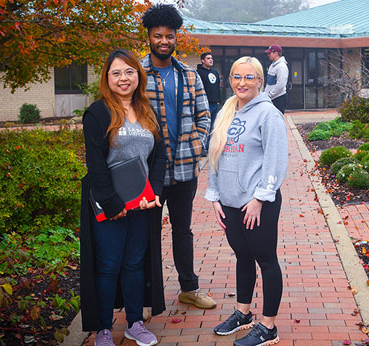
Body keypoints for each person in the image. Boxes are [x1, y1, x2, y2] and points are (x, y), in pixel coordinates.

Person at [80, 49, 166, 346]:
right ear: (107, 78)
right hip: (110, 203)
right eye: (116, 73)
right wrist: (113, 204)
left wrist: (153, 193)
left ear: (137, 75)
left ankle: (134, 323)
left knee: (133, 263)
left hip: (142, 202)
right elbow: (96, 163)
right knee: (109, 264)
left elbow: (159, 157)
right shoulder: (98, 113)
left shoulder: (147, 110)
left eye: (129, 71)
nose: (123, 78)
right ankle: (104, 329)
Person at [205, 56, 288, 346]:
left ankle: (268, 327)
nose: (242, 83)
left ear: (260, 81)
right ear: (230, 80)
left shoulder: (268, 114)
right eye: (237, 77)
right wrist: (214, 196)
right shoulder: (226, 111)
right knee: (243, 257)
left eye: (249, 77)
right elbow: (215, 156)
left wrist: (260, 199)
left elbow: (275, 162)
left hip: (256, 204)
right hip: (229, 202)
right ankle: (243, 313)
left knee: (266, 260)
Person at [140, 4, 216, 310]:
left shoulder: (188, 75)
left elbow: (204, 117)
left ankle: (189, 288)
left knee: (183, 230)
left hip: (185, 170)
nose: (164, 41)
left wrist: (196, 146)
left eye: (169, 36)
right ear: (149, 37)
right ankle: (146, 297)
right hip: (148, 173)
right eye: (158, 36)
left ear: (176, 38)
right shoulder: (137, 74)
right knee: (147, 235)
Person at [197, 51, 222, 150]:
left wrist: (218, 100)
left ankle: (209, 147)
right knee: (204, 126)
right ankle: (202, 147)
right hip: (204, 104)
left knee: (213, 126)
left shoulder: (215, 72)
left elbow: (217, 86)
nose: (211, 60)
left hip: (215, 103)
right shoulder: (199, 73)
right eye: (208, 58)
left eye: (211, 58)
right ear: (203, 61)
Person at [264, 44, 289, 114]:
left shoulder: (282, 66)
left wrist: (269, 95)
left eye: (270, 53)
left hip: (278, 98)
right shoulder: (272, 65)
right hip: (272, 98)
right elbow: (269, 83)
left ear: (276, 53)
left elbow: (281, 85)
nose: (268, 55)